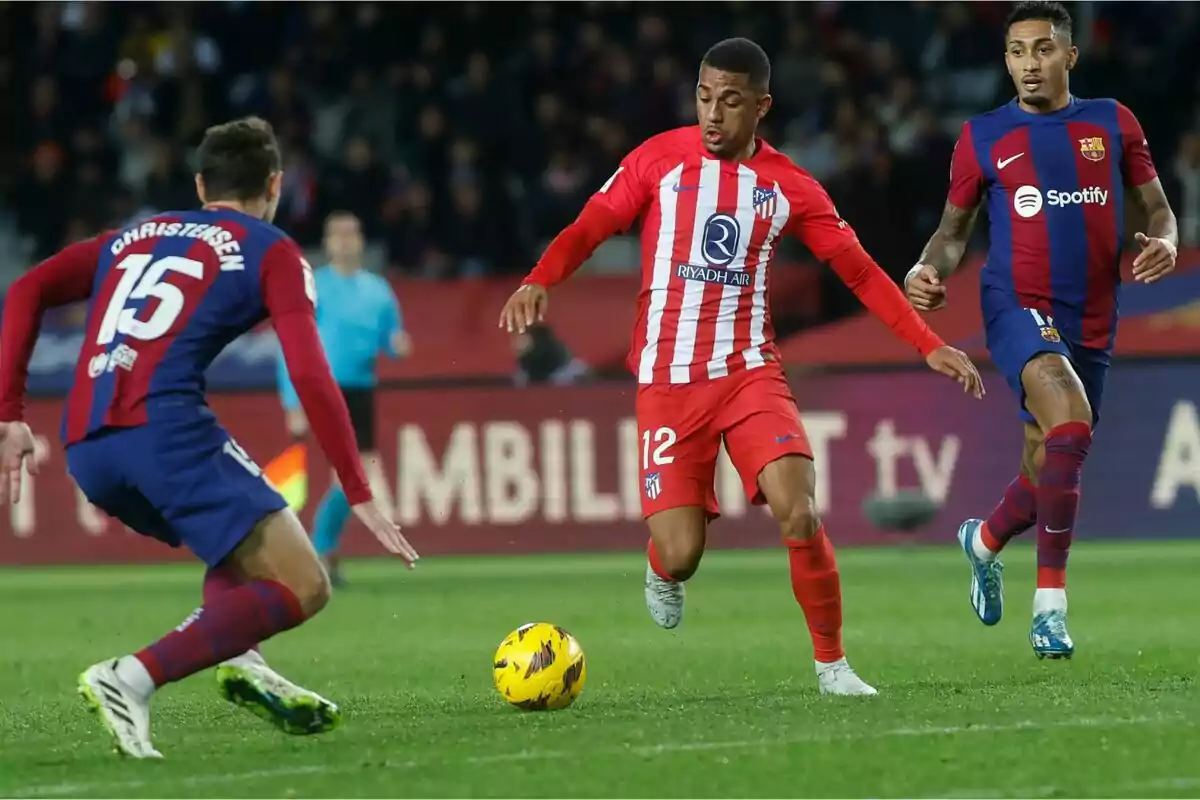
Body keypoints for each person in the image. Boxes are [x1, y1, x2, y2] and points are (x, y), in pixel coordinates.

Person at [499, 38, 985, 696]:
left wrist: (928, 342)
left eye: (729, 102)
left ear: (761, 107)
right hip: (668, 383)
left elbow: (860, 273)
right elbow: (589, 226)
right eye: (703, 98)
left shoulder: (790, 188)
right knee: (681, 551)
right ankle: (662, 569)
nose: (712, 114)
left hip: (749, 373)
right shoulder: (657, 160)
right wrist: (540, 279)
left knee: (798, 507)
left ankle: (832, 665)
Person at [0, 117, 419, 759]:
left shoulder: (134, 236)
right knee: (305, 583)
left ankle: (240, 657)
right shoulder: (271, 249)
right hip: (163, 430)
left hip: (86, 443)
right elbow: (308, 369)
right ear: (275, 184)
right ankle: (129, 678)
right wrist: (357, 488)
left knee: (243, 548)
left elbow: (27, 287)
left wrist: (9, 412)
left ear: (200, 185)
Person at [905, 1, 1178, 659]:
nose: (1030, 64)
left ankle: (985, 540)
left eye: (1044, 49)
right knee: (1073, 423)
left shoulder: (1112, 123)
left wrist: (1166, 243)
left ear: (1070, 56)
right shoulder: (982, 136)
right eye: (1018, 52)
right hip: (1017, 306)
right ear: (1006, 61)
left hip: (1094, 314)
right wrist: (927, 267)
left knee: (1046, 466)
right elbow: (952, 231)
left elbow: (1160, 210)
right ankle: (1049, 610)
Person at [276, 210, 410, 587]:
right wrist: (292, 402)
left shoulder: (378, 290)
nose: (346, 241)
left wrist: (398, 346)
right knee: (355, 476)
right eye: (339, 235)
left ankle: (322, 553)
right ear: (328, 242)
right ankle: (319, 549)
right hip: (325, 389)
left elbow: (392, 338)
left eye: (352, 234)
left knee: (356, 478)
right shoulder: (314, 287)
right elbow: (291, 345)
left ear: (361, 241)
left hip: (361, 391)